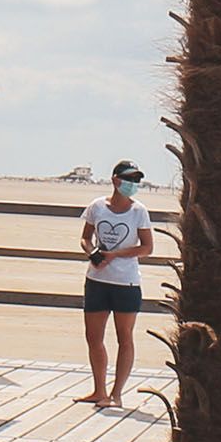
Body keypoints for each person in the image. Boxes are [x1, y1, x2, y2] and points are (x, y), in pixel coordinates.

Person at [76, 160, 155, 407]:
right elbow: (85, 238)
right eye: (128, 179)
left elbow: (147, 247)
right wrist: (92, 253)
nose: (132, 185)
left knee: (125, 337)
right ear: (115, 180)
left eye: (136, 180)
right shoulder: (97, 207)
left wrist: (116, 255)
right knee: (94, 336)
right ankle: (99, 390)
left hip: (126, 282)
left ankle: (116, 393)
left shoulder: (139, 211)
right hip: (97, 280)